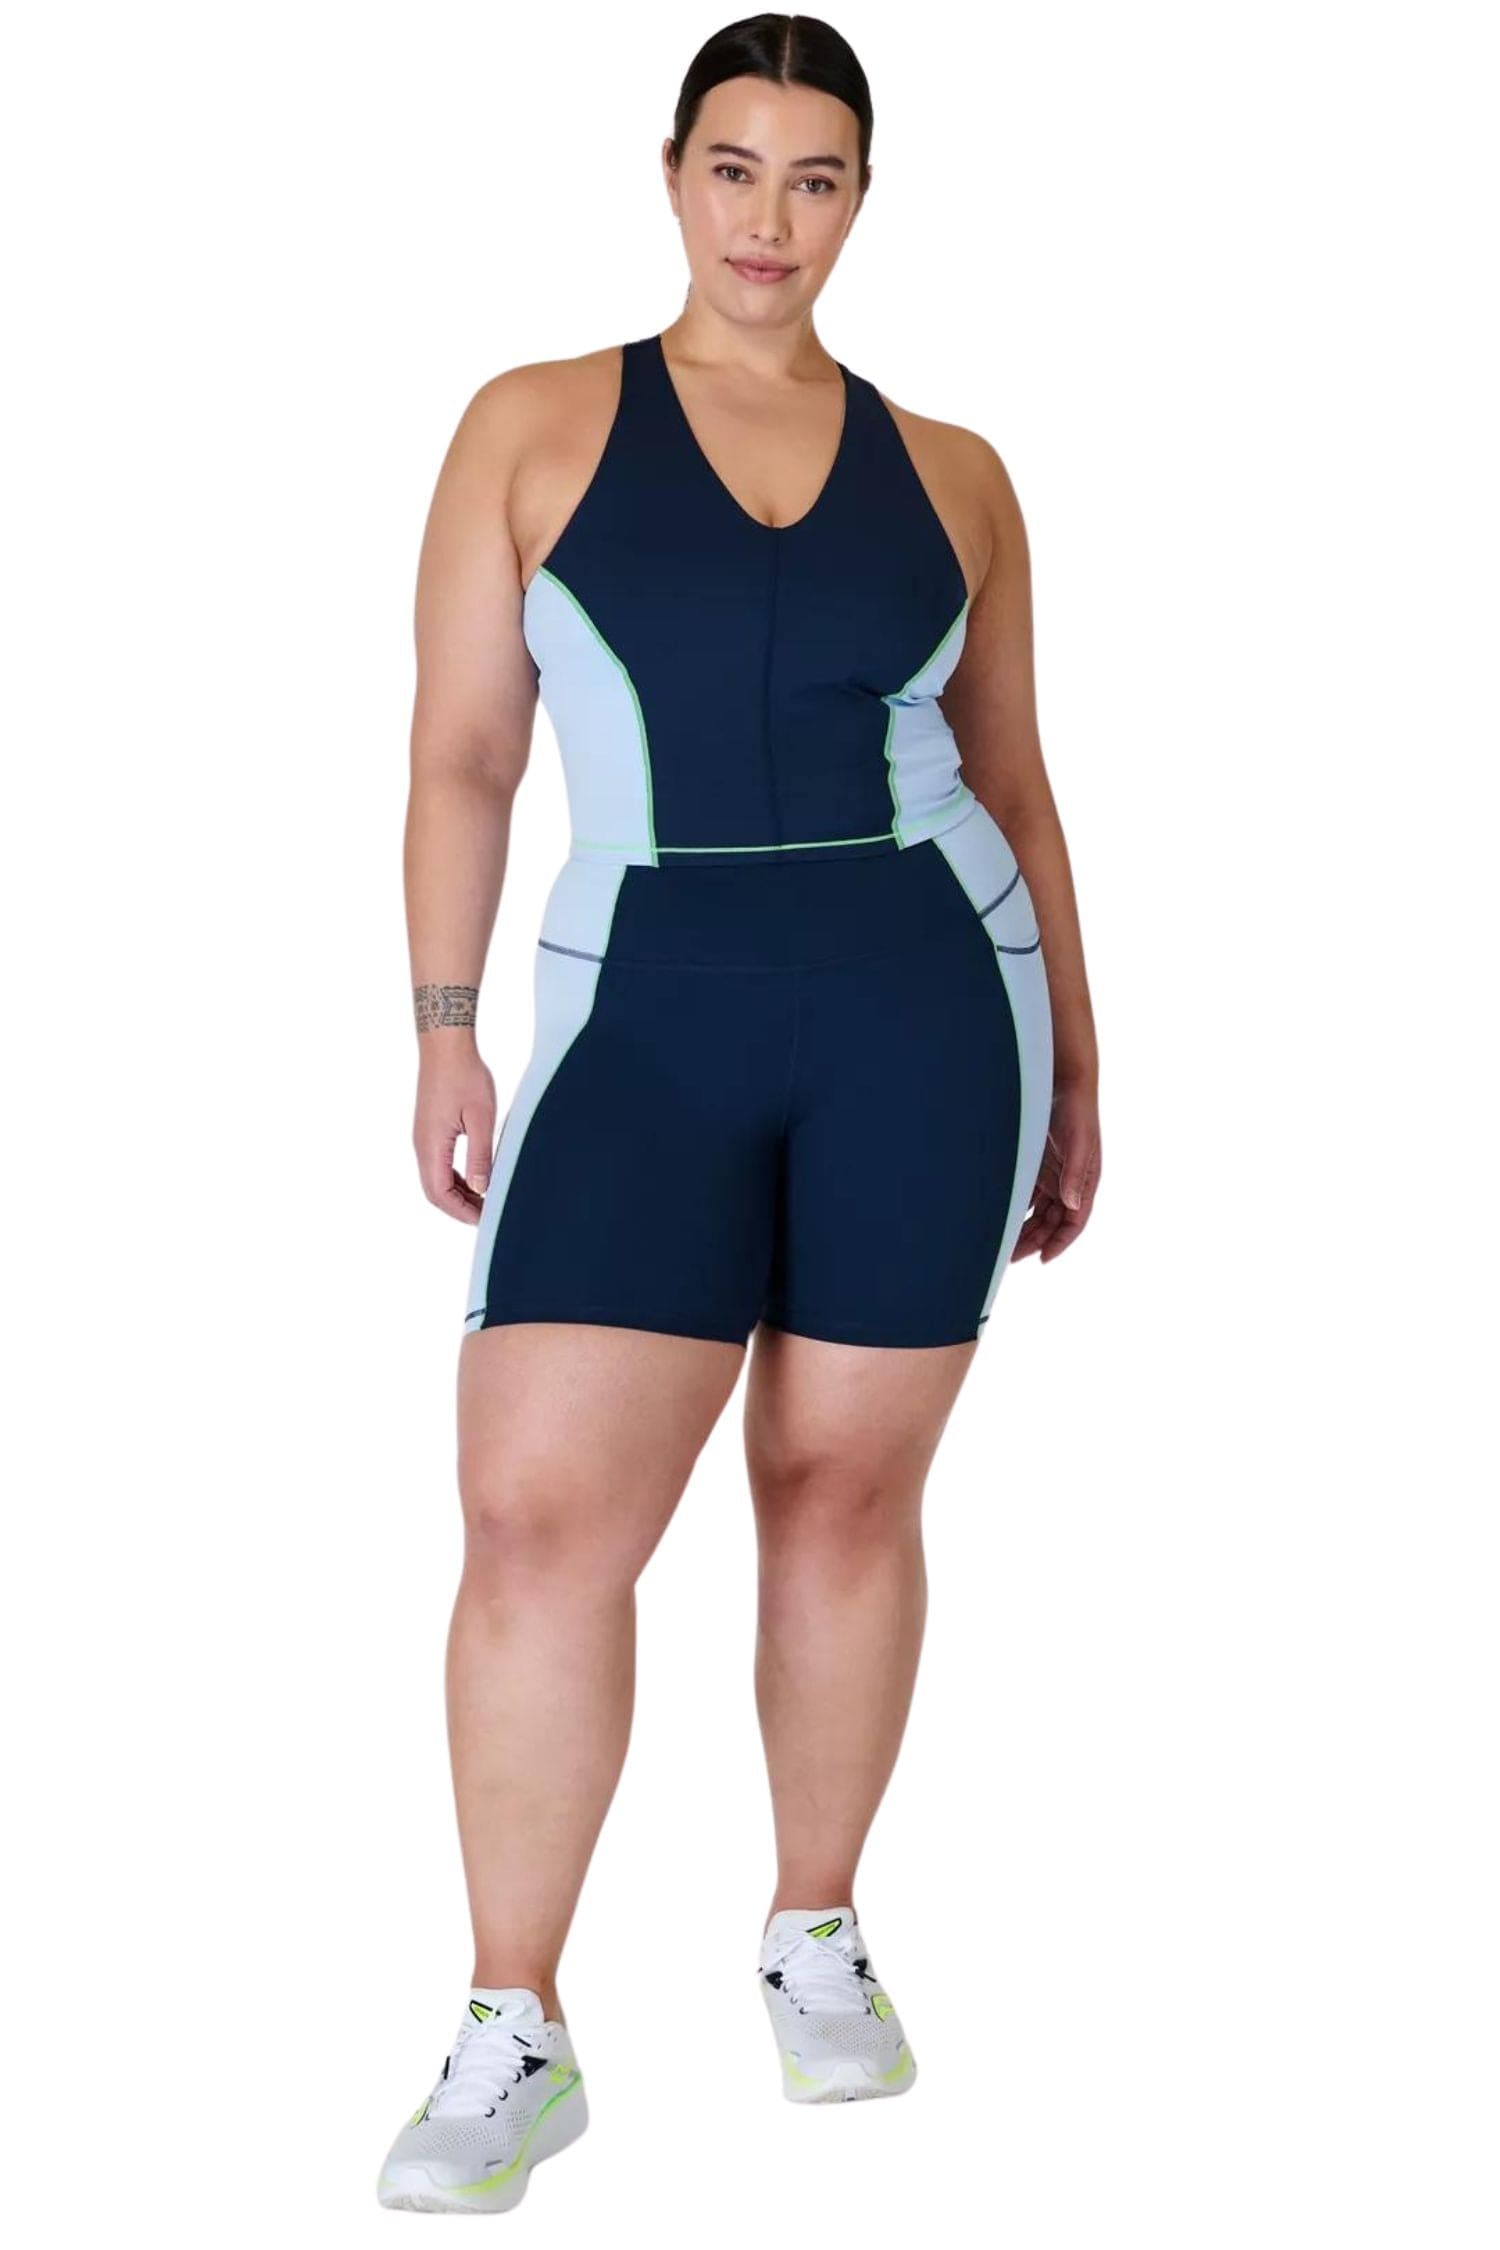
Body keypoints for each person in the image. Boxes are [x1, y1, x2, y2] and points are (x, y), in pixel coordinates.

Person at [379, 11, 1100, 2216]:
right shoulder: (534, 423)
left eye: (816, 178)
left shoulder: (956, 469)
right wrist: (442, 1026)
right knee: (536, 1518)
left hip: (924, 1005)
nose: (769, 219)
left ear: (861, 200)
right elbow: (464, 753)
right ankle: (515, 2021)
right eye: (734, 167)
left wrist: (1080, 1058)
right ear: (673, 172)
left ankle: (814, 1925)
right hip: (647, 1012)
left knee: (841, 1490)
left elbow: (1017, 778)